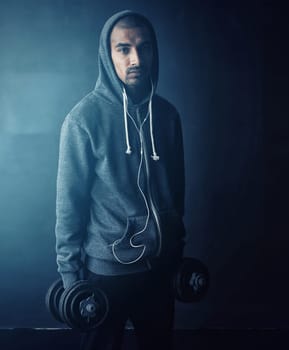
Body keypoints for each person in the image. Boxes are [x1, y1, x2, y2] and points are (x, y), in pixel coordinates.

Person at [55, 10, 186, 350]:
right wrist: (71, 277)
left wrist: (175, 249)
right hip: (106, 273)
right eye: (124, 48)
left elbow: (176, 193)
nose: (136, 59)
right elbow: (70, 203)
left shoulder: (168, 116)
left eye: (144, 48)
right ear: (107, 54)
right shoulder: (83, 119)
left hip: (159, 269)